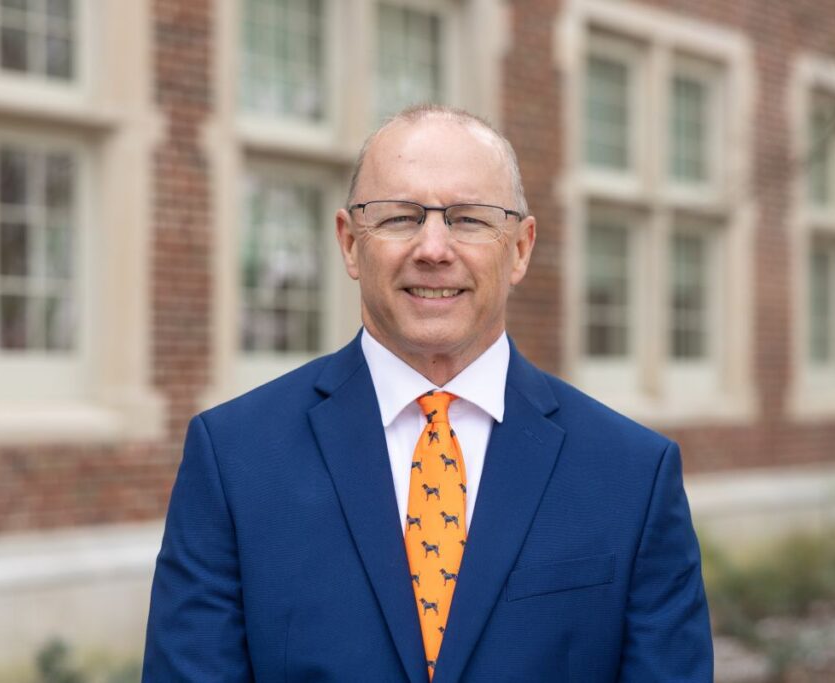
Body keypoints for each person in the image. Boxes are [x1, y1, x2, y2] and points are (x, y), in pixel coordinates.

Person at [143, 104, 712, 682]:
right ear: (348, 243)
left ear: (519, 248)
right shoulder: (234, 459)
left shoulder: (632, 475)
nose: (434, 249)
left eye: (468, 219)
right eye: (399, 218)